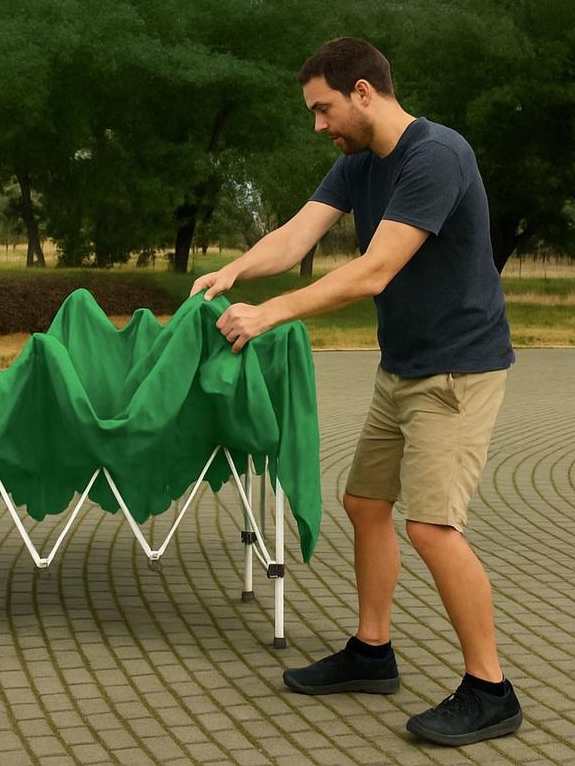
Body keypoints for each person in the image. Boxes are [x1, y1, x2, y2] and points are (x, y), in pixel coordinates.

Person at [188, 37, 522, 747]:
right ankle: (372, 653)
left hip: (457, 370)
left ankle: (491, 690)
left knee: (432, 527)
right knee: (365, 501)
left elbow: (373, 271)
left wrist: (270, 313)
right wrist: (235, 274)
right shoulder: (357, 163)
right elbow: (293, 237)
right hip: (402, 365)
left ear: (364, 92)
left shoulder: (436, 157)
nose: (318, 125)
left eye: (323, 108)